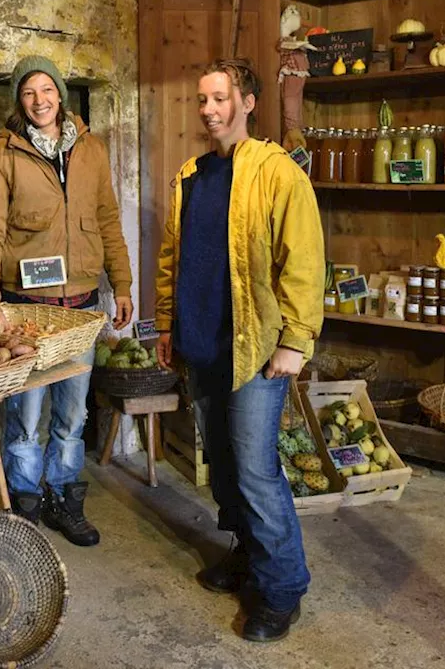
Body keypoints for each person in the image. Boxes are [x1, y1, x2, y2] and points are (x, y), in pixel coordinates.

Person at [153, 58, 324, 642]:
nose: (209, 110)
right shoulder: (190, 176)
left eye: (220, 98)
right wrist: (165, 326)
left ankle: (282, 589)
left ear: (247, 103)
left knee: (255, 471)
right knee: (224, 468)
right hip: (203, 344)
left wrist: (295, 342)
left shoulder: (277, 173)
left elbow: (303, 262)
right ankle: (249, 555)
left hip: (255, 348)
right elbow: (172, 261)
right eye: (203, 99)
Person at [0, 54, 133, 547]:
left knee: (74, 414)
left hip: (80, 308)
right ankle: (26, 502)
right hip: (27, 309)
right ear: (19, 101)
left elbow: (107, 220)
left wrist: (121, 284)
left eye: (47, 90)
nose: (40, 101)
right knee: (26, 414)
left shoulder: (91, 150)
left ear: (60, 94)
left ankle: (65, 496)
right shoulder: (0, 156)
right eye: (28, 92)